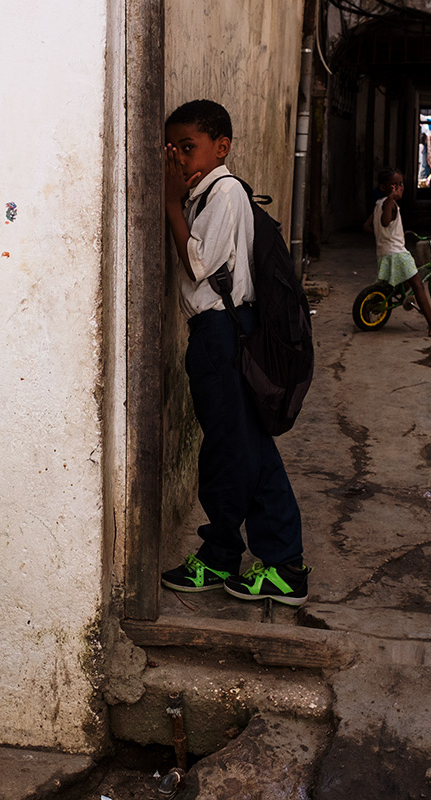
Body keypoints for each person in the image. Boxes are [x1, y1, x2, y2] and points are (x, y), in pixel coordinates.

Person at [158, 99, 310, 607]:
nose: (179, 159)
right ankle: (237, 555)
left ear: (220, 147)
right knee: (237, 448)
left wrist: (170, 204)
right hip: (213, 333)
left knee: (236, 450)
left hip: (223, 332)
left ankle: (271, 561)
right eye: (173, 149)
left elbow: (198, 262)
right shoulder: (207, 193)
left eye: (188, 147)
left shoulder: (221, 193)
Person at [363, 169, 431, 338]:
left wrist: (385, 236)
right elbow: (384, 222)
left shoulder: (378, 204)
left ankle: (386, 302)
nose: (399, 188)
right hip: (397, 253)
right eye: (394, 185)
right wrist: (391, 201)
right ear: (384, 187)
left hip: (385, 251)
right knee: (418, 285)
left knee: (401, 285)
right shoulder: (389, 203)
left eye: (401, 184)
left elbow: (368, 225)